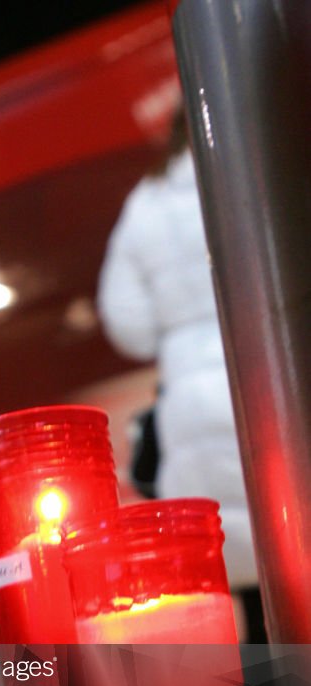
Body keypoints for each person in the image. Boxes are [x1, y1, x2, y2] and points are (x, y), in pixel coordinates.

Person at [97, 106, 264, 635]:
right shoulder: (256, 167)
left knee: (255, 600)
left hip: (191, 415)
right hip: (269, 384)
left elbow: (129, 326)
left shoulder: (144, 206)